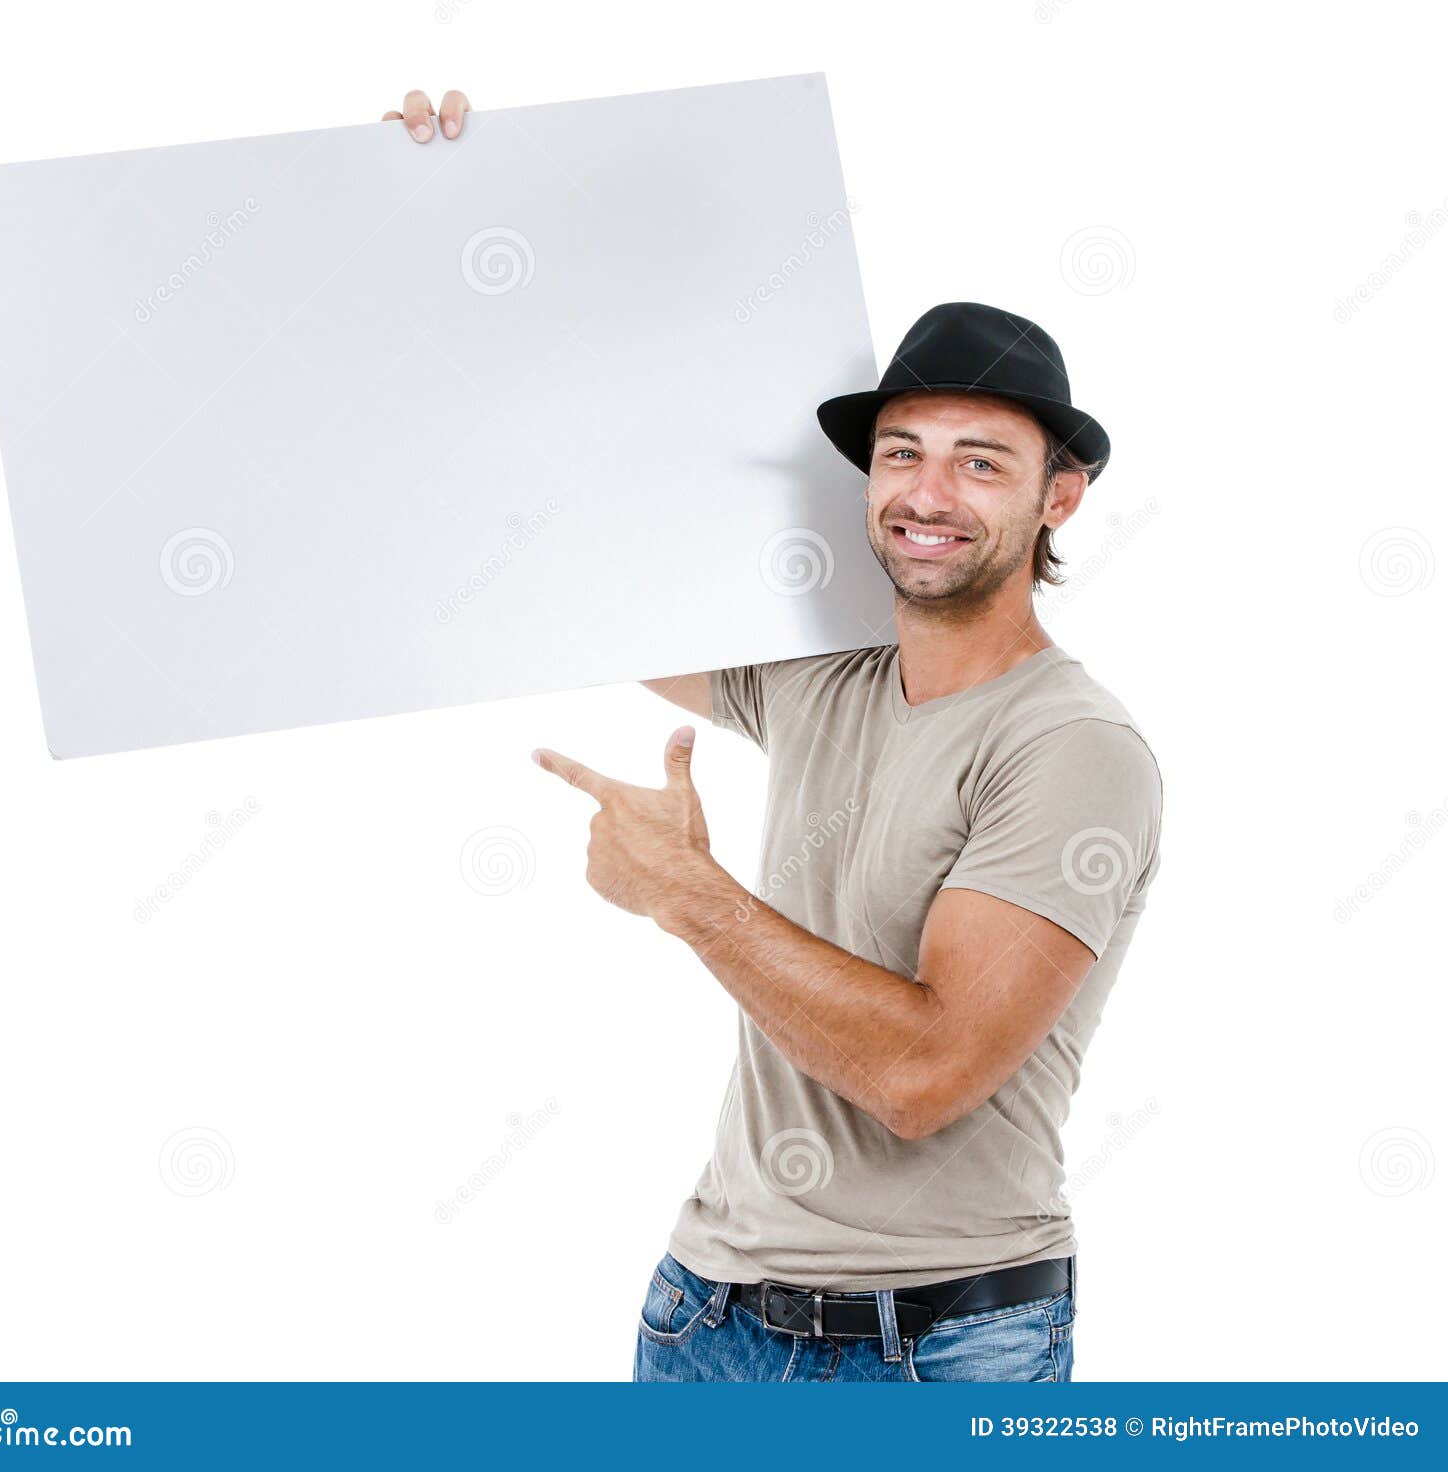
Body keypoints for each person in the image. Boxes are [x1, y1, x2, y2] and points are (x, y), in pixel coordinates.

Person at [388, 89, 1162, 1383]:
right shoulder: (823, 681)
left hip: (941, 1347)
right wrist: (463, 215)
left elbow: (924, 1074)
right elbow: (545, 562)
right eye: (902, 452)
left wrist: (693, 900)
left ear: (1059, 497)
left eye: (981, 463)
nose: (925, 493)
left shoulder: (1074, 748)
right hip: (710, 1312)